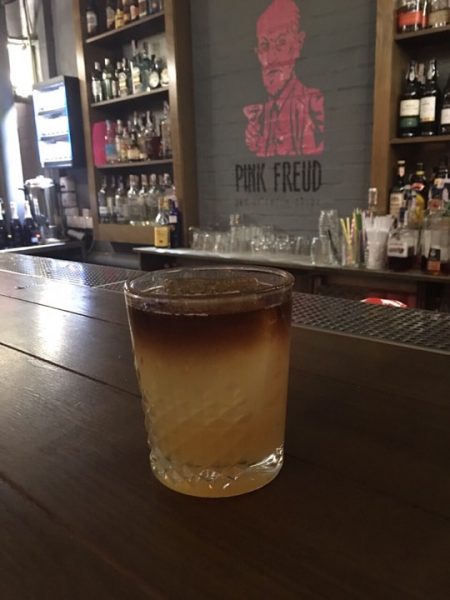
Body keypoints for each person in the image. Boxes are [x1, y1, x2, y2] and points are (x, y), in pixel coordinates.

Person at [244, 0, 324, 157]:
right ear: (258, 53)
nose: (272, 57)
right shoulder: (262, 115)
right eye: (265, 45)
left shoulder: (314, 104)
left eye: (281, 42)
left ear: (298, 45)